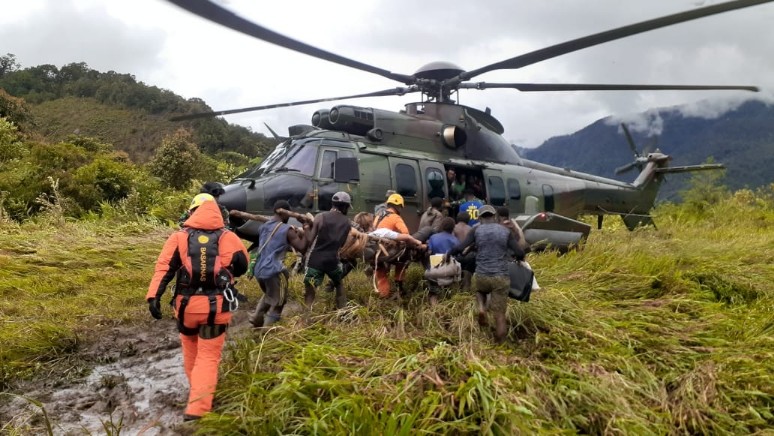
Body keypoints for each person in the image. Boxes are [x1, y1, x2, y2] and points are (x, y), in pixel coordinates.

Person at [146, 196, 248, 421]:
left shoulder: (178, 237)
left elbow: (164, 268)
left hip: (186, 309)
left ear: (192, 212)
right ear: (217, 213)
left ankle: (197, 392)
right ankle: (198, 408)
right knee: (208, 357)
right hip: (216, 309)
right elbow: (243, 266)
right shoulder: (229, 237)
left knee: (191, 350)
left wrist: (154, 296)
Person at [447, 205, 524, 343]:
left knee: (480, 291)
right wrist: (518, 258)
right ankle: (501, 344)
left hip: (482, 275)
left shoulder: (476, 230)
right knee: (500, 315)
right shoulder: (505, 231)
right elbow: (519, 252)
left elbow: (460, 247)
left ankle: (481, 308)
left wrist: (448, 254)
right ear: (495, 216)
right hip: (501, 277)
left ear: (479, 218)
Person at [248, 200, 306, 328]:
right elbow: (302, 248)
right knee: (279, 302)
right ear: (283, 213)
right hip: (275, 271)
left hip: (259, 269)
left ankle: (257, 317)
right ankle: (267, 332)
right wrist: (306, 232)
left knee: (270, 293)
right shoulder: (287, 230)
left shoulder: (263, 227)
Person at [302, 192, 353, 310]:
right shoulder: (347, 222)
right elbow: (342, 244)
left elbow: (309, 240)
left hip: (315, 261)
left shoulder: (321, 217)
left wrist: (306, 228)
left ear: (333, 204)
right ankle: (342, 312)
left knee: (310, 293)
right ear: (345, 206)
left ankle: (306, 317)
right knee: (339, 284)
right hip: (333, 261)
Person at [372, 193, 411, 298]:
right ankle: (399, 287)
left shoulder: (379, 216)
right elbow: (406, 234)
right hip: (387, 251)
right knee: (404, 257)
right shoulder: (395, 217)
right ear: (399, 206)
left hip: (375, 250)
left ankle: (383, 296)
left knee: (381, 274)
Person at [425, 217, 459, 305]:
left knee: (433, 291)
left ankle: (434, 306)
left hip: (435, 268)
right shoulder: (455, 240)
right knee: (449, 289)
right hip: (449, 270)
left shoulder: (433, 237)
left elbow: (429, 252)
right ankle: (448, 301)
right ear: (453, 227)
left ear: (442, 226)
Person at [453, 211, 474, 291]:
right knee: (467, 273)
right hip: (469, 255)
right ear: (468, 219)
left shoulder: (454, 228)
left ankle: (457, 289)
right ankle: (466, 288)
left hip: (457, 256)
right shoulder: (471, 229)